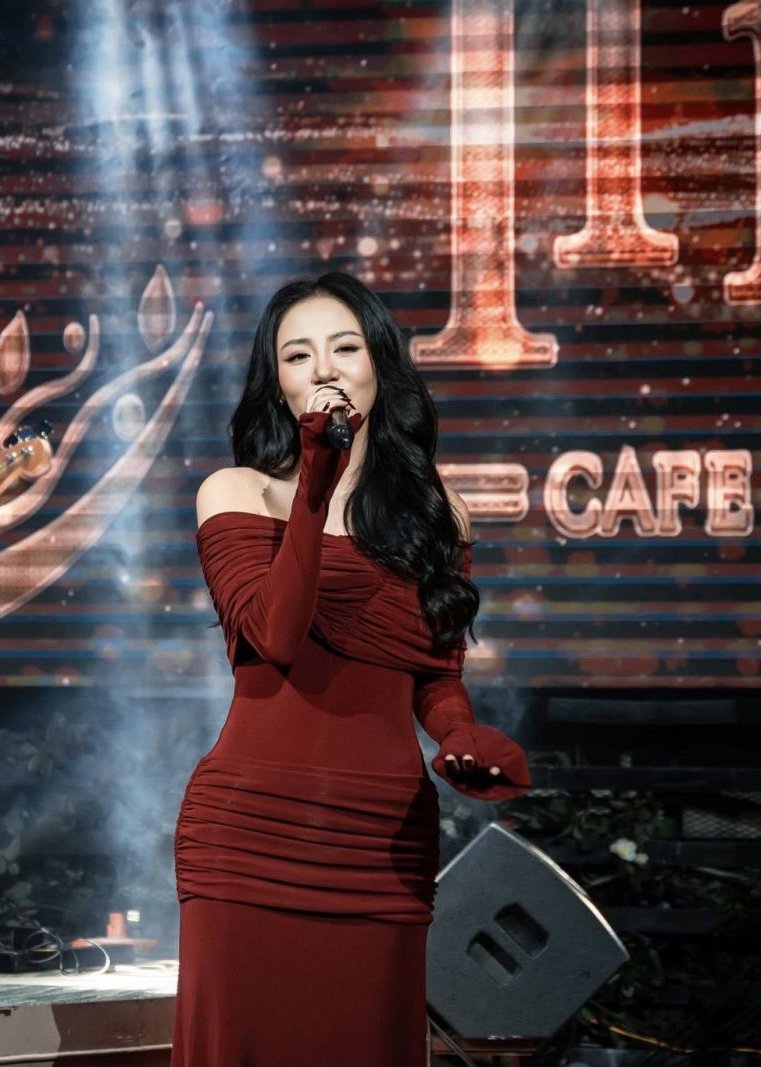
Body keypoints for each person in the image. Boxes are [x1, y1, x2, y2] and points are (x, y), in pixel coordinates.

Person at [174, 273, 532, 1063]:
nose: (325, 368)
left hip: (380, 846)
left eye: (344, 347)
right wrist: (314, 483)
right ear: (277, 381)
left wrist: (461, 736)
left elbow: (435, 673)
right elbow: (274, 636)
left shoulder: (437, 511)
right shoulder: (236, 492)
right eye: (298, 354)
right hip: (253, 840)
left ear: (380, 364)